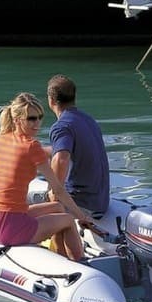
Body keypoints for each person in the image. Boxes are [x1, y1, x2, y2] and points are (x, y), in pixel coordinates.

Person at [0, 92, 95, 260]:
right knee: (69, 220)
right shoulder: (32, 146)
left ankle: (59, 256)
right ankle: (80, 264)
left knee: (57, 207)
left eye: (40, 117)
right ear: (17, 120)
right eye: (31, 119)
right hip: (12, 229)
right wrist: (82, 217)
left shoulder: (0, 140)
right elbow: (58, 189)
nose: (37, 123)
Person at [46, 75, 110, 219]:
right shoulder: (88, 120)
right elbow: (75, 150)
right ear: (74, 97)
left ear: (51, 100)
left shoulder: (61, 126)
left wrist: (54, 193)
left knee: (27, 202)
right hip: (101, 202)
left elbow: (61, 159)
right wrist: (39, 152)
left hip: (81, 203)